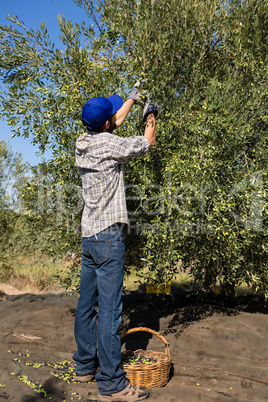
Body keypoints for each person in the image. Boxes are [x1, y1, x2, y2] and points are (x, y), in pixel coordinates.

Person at [73, 85, 158, 402]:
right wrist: (151, 116)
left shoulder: (83, 142)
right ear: (106, 124)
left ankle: (84, 366)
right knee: (109, 312)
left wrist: (132, 97)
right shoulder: (111, 144)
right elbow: (147, 143)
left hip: (89, 236)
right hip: (109, 237)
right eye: (112, 115)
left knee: (86, 304)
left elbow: (114, 122)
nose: (114, 118)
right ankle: (112, 385)